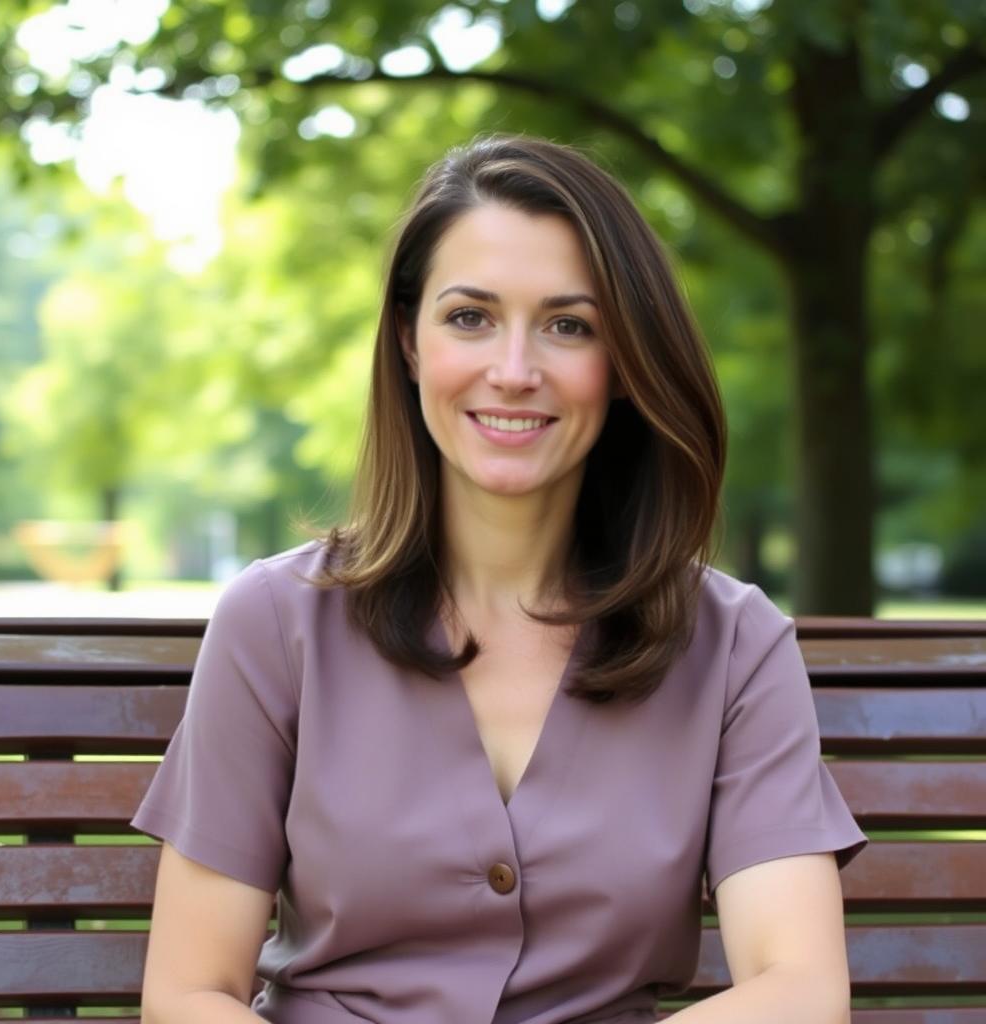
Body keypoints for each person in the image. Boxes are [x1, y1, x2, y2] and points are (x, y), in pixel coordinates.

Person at [132, 135, 867, 1024]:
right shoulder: (277, 622)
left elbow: (798, 989)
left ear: (626, 358)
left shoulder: (733, 644)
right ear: (408, 340)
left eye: (569, 325)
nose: (514, 372)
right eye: (470, 317)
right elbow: (188, 993)